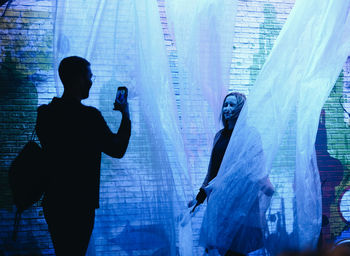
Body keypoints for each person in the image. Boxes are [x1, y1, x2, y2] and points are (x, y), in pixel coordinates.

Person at [36, 56, 131, 255]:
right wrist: (125, 114)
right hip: (80, 203)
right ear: (78, 78)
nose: (90, 82)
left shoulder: (45, 114)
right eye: (89, 77)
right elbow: (117, 149)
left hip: (54, 200)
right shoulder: (89, 117)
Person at [190, 92, 274, 256]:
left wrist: (266, 185)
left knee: (239, 248)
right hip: (220, 203)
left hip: (242, 203)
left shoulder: (249, 135)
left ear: (240, 109)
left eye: (232, 105)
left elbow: (254, 167)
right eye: (225, 105)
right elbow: (212, 170)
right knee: (221, 248)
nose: (227, 109)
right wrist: (200, 196)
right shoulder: (219, 136)